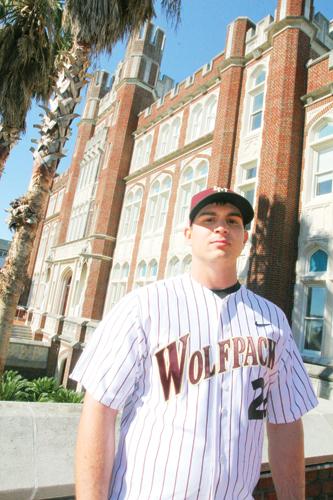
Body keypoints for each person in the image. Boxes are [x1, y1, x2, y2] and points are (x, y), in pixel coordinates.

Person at [71, 186, 318, 500]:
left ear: (245, 237)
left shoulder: (273, 320)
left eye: (233, 220)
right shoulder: (143, 306)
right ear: (188, 233)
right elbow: (100, 411)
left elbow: (285, 421)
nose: (221, 227)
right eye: (209, 218)